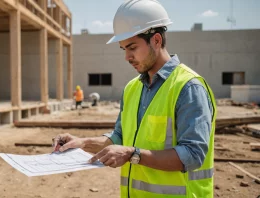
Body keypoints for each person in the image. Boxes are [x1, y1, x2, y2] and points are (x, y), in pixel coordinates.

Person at [53, 0, 216, 197]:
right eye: (124, 49)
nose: (127, 57)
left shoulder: (188, 87)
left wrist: (133, 154)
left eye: (132, 47)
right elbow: (120, 137)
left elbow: (193, 155)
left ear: (156, 40)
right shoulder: (132, 88)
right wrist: (82, 142)